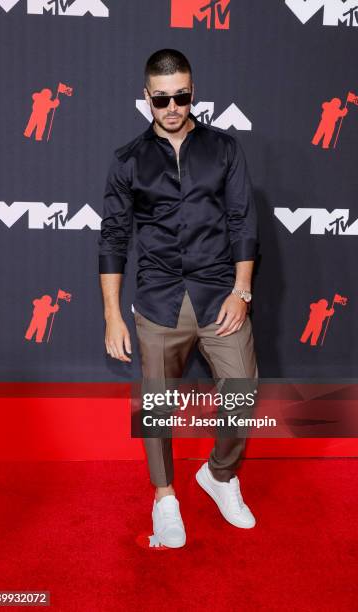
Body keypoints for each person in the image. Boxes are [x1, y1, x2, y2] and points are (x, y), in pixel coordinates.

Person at [98, 49, 259, 548]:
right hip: (159, 298)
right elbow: (112, 238)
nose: (172, 106)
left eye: (182, 95)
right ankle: (164, 495)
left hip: (218, 295)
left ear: (193, 91)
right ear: (147, 97)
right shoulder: (128, 159)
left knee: (243, 392)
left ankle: (219, 476)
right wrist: (111, 316)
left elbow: (243, 222)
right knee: (157, 406)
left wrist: (242, 290)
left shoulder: (224, 150)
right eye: (162, 97)